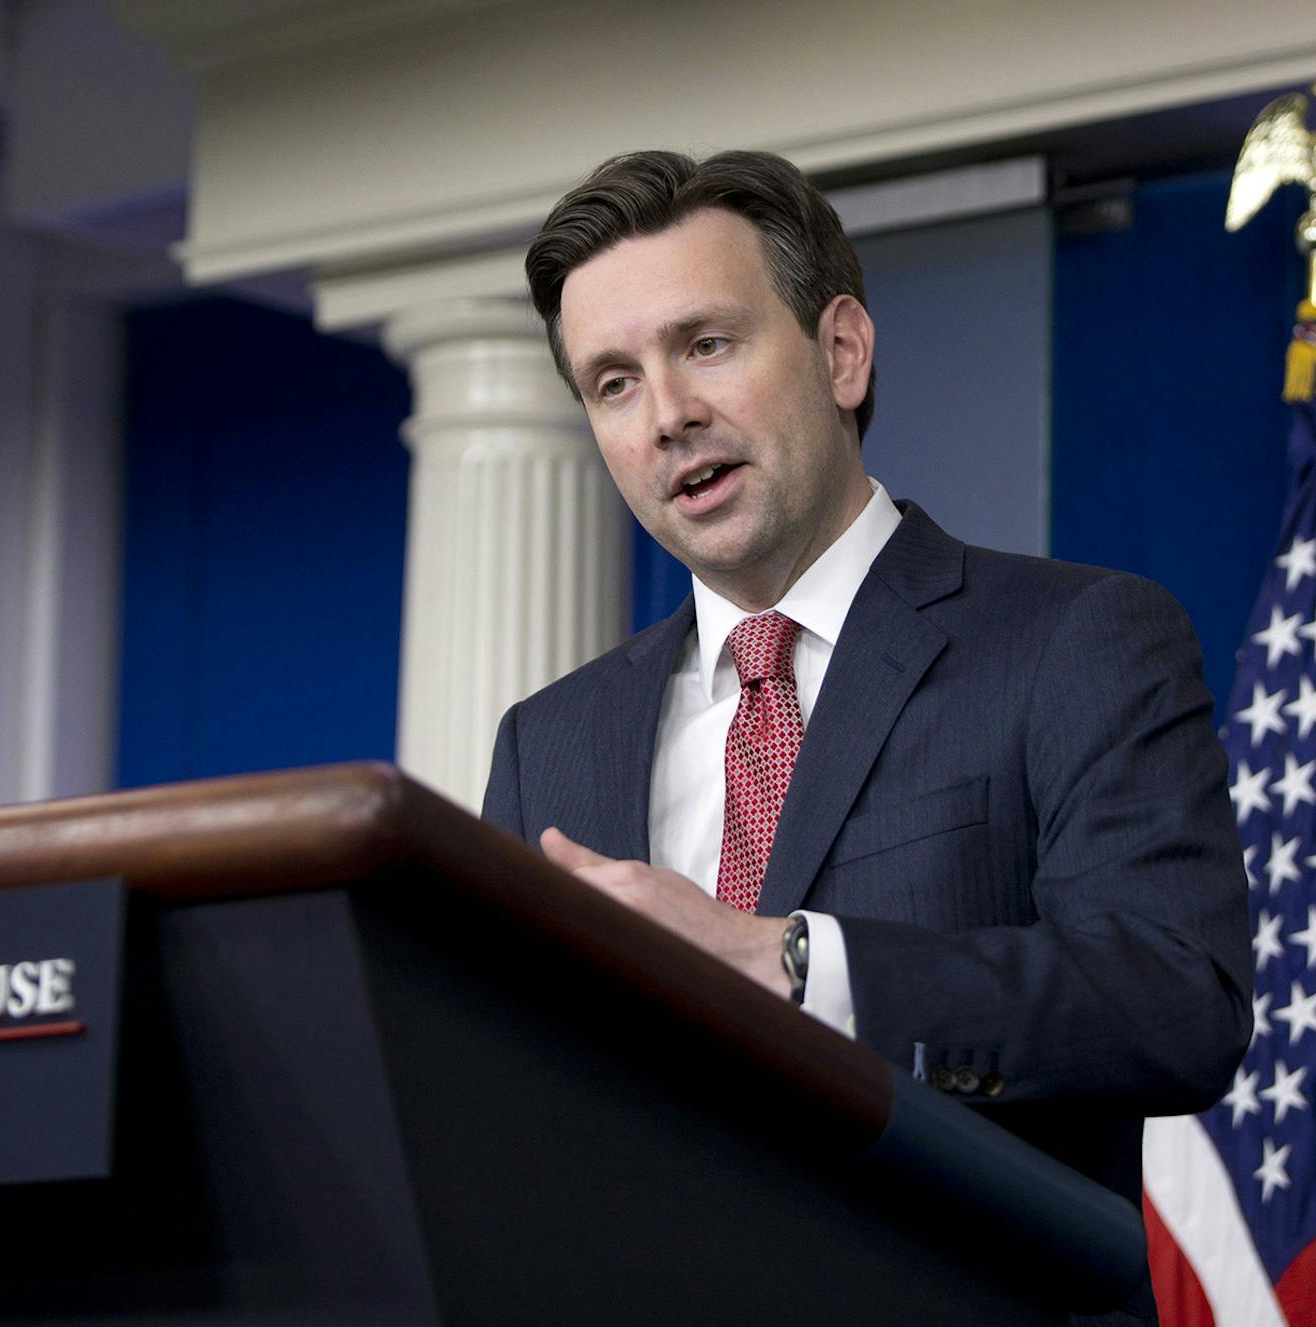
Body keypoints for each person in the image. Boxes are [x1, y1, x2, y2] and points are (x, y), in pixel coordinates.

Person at [481, 150, 1253, 1237]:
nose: (665, 415)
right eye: (613, 382)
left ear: (841, 351)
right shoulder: (544, 745)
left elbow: (1176, 1001)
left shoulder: (1075, 640)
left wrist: (789, 961)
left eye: (705, 344)